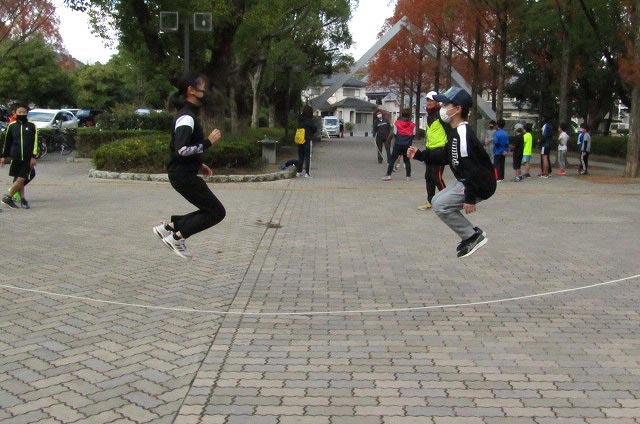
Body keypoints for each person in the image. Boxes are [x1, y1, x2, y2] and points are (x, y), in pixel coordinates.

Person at [407, 87, 496, 258]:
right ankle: (471, 234)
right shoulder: (455, 132)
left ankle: (472, 236)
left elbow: (471, 167)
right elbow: (446, 156)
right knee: (436, 201)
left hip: (478, 184)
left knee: (441, 205)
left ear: (457, 109)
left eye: (445, 105)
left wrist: (470, 198)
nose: (442, 108)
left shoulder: (462, 134)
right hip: (467, 180)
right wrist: (420, 155)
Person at [153, 73, 225, 259]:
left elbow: (180, 148)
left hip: (183, 174)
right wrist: (208, 142)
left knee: (211, 210)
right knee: (216, 212)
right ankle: (177, 237)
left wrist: (199, 163)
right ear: (191, 90)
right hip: (182, 176)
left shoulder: (188, 114)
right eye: (203, 88)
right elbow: (181, 150)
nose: (206, 91)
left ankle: (169, 227)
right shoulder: (187, 117)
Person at [1, 104, 38, 209]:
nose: (22, 114)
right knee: (19, 179)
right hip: (16, 156)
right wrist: (4, 156)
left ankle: (8, 197)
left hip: (27, 157)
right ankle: (22, 199)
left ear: (27, 113)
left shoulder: (32, 125)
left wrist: (33, 156)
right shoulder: (12, 126)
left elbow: (35, 142)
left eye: (24, 112)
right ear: (15, 113)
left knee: (22, 178)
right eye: (19, 112)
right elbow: (7, 142)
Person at [418, 91, 447, 210]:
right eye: (428, 100)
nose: (429, 102)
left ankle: (448, 201)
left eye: (432, 100)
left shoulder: (442, 114)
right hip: (430, 149)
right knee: (428, 176)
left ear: (437, 102)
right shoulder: (429, 115)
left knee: (437, 177)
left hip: (440, 150)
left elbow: (450, 129)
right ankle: (430, 201)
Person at [382, 108, 415, 181]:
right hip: (407, 144)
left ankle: (388, 175)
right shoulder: (413, 125)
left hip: (398, 144)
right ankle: (408, 176)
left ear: (401, 114)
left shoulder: (397, 123)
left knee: (392, 159)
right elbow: (413, 135)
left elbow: (395, 133)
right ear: (409, 115)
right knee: (407, 160)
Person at [296, 105, 316, 178]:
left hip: (300, 140)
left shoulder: (300, 119)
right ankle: (307, 173)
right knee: (308, 157)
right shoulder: (310, 121)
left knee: (300, 156)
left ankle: (299, 172)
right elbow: (315, 129)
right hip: (307, 140)